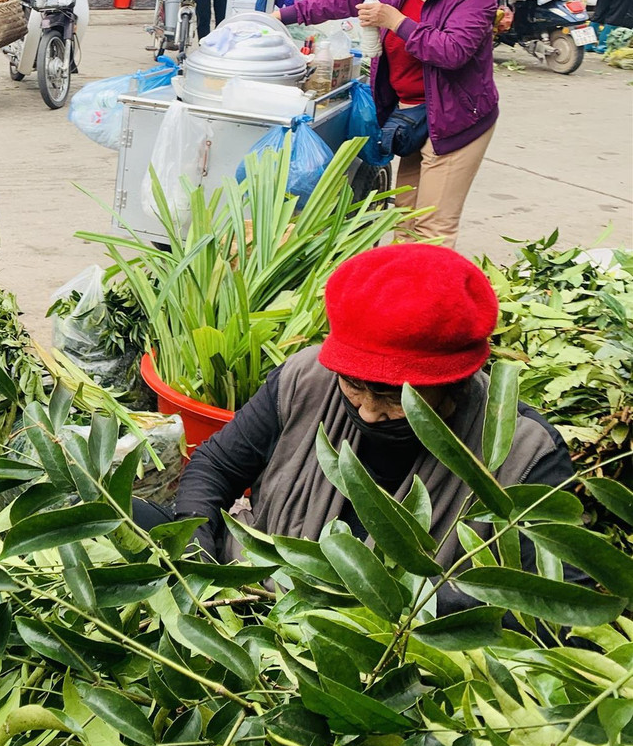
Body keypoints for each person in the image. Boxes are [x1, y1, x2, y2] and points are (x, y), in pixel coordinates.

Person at [175, 244, 577, 613]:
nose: (367, 412)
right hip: (257, 595)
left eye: (392, 398)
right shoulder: (307, 379)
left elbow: (554, 605)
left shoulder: (524, 454)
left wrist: (409, 612)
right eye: (353, 385)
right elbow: (216, 466)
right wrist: (198, 553)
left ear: (452, 382)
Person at [274, 0, 499, 247]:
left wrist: (396, 21)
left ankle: (430, 298)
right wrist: (282, 16)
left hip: (455, 118)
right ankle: (401, 294)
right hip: (410, 113)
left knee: (432, 228)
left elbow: (453, 51)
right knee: (405, 217)